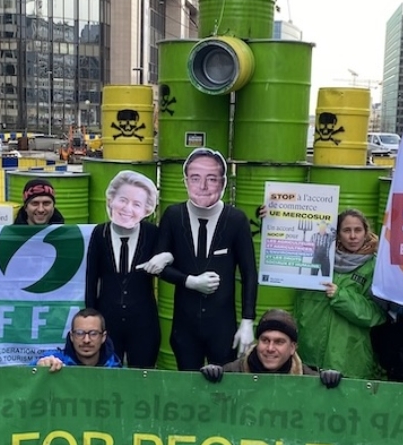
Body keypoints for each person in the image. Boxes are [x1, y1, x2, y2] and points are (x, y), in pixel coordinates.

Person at [145, 148, 258, 370]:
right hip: (185, 327)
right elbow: (158, 266)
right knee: (188, 387)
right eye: (195, 179)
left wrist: (247, 320)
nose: (203, 186)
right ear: (185, 181)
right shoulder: (174, 216)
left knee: (224, 387)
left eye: (212, 179)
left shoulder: (235, 220)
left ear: (223, 182)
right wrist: (190, 281)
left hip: (223, 327)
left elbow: (249, 273)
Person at [294, 209, 386, 379]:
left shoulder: (375, 267)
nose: (353, 236)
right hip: (309, 354)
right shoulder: (314, 256)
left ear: (366, 232)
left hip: (348, 359)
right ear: (338, 234)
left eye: (358, 230)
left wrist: (340, 296)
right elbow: (283, 244)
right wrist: (271, 218)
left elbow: (376, 314)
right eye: (346, 230)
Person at [86, 171, 162, 368]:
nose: (127, 209)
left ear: (147, 209)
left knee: (143, 373)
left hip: (144, 321)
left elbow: (170, 264)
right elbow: (91, 279)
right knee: (107, 374)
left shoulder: (152, 234)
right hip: (108, 319)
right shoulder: (99, 233)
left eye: (137, 204)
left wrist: (167, 257)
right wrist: (91, 320)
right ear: (111, 200)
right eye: (122, 200)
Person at [198, 315, 342, 388]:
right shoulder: (231, 373)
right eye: (265, 340)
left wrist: (332, 385)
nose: (270, 348)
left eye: (279, 342)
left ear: (292, 348)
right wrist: (207, 381)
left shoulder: (310, 380)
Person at [31, 308, 122, 371]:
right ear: (71, 336)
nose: (86, 340)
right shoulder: (56, 360)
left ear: (103, 337)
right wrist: (39, 367)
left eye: (93, 333)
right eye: (80, 333)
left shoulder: (116, 370)